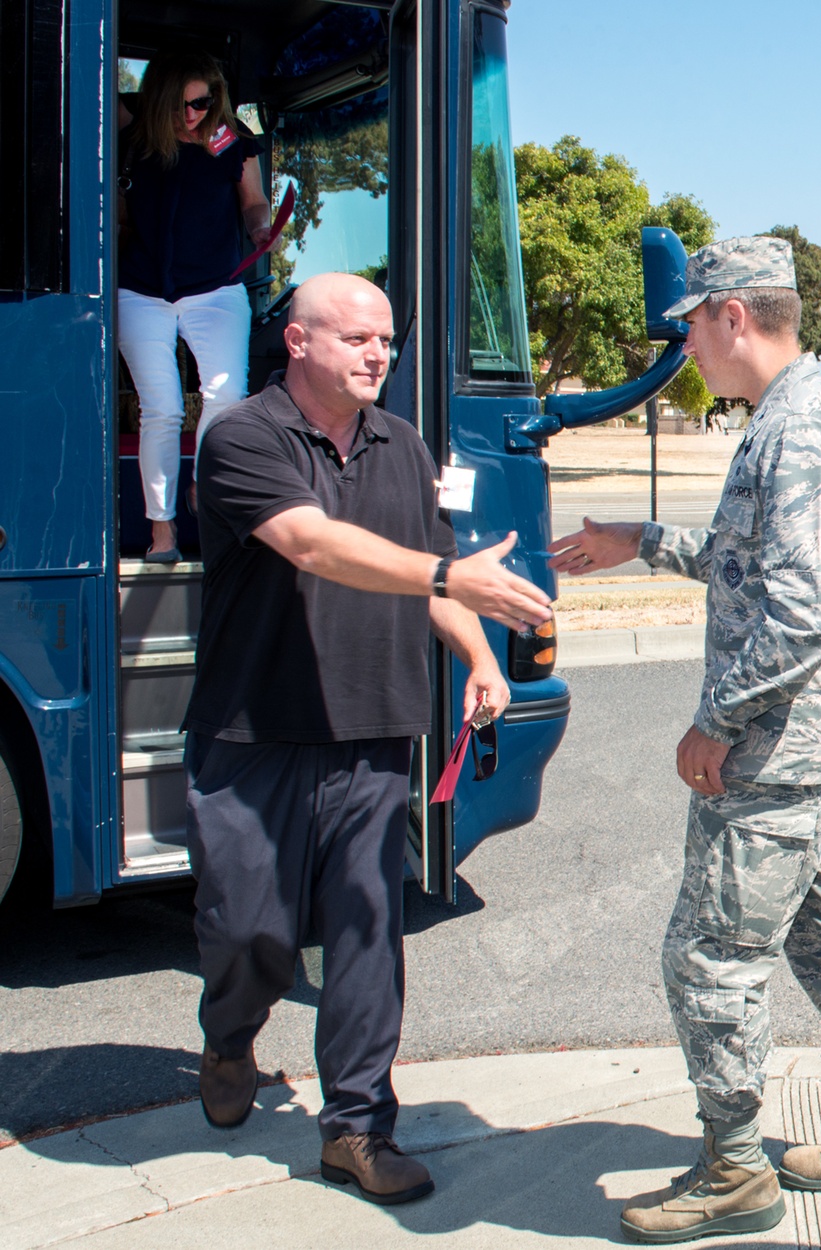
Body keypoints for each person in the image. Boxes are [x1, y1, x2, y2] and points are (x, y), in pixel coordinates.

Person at [549, 236, 821, 1245]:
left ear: (731, 314)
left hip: (779, 748)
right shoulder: (794, 415)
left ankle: (731, 1169)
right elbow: (749, 563)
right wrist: (640, 538)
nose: (682, 343)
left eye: (687, 323)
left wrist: (715, 718)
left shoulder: (796, 430)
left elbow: (802, 610)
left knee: (709, 955)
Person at [183, 272, 552, 1206]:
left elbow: (433, 579)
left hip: (377, 727)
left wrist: (478, 656)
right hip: (254, 728)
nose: (378, 354)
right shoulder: (241, 437)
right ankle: (229, 1038)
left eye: (385, 340)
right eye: (356, 339)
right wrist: (451, 578)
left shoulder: (402, 443)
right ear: (298, 343)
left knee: (365, 931)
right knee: (248, 929)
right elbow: (313, 544)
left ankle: (355, 1126)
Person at [118, 48, 274, 561]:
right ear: (161, 100)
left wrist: (260, 229)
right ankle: (161, 535)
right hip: (142, 289)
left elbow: (253, 202)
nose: (193, 115)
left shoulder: (230, 140)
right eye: (183, 105)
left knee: (227, 399)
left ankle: (202, 488)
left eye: (203, 103)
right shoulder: (135, 140)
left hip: (216, 286)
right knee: (160, 409)